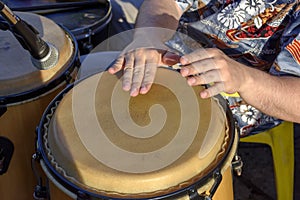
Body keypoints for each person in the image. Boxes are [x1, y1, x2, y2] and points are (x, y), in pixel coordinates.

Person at [104, 0, 299, 199]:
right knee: (105, 27)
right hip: (174, 50)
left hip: (249, 92)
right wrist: (149, 36)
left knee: (145, 143)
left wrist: (245, 79)